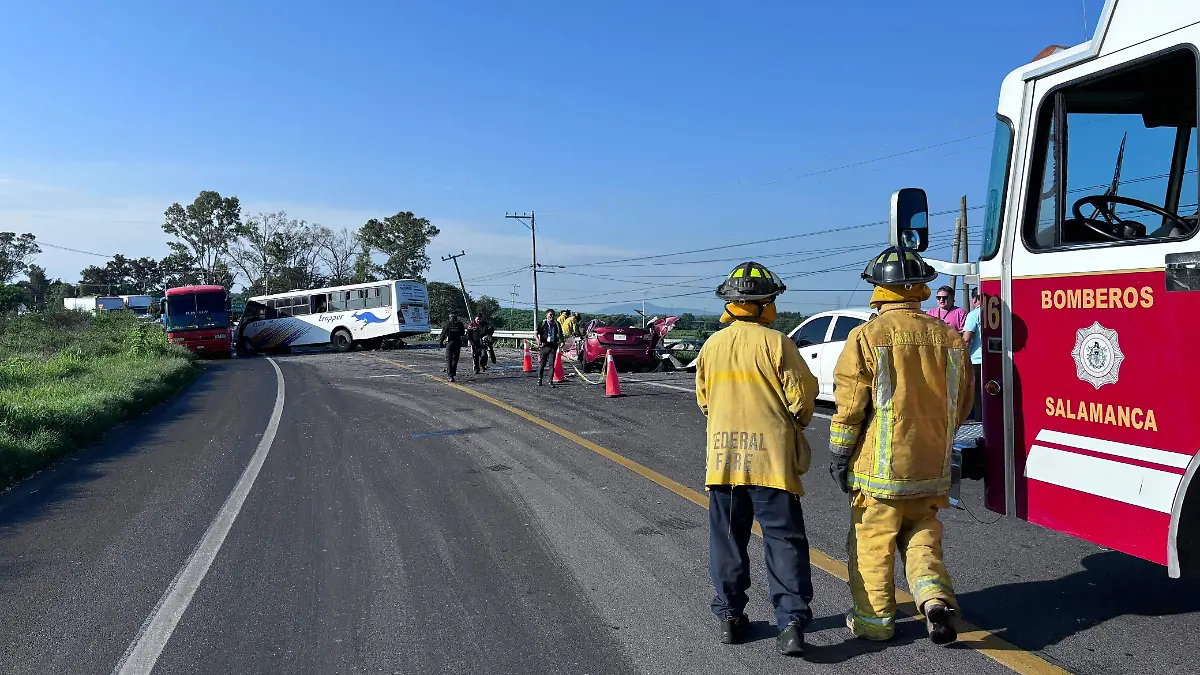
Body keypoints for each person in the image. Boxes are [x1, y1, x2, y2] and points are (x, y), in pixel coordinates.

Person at [828, 245, 974, 646]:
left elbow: (850, 406)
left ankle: (875, 624)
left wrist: (840, 456)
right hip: (931, 468)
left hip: (881, 472)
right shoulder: (950, 338)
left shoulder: (867, 336)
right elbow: (962, 405)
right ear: (923, 288)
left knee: (872, 544)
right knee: (922, 537)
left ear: (878, 287)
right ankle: (934, 599)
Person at [695, 261, 818, 658]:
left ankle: (730, 617)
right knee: (783, 541)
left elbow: (703, 401)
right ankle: (792, 624)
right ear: (764, 304)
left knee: (728, 541)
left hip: (724, 462)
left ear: (731, 303)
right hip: (771, 463)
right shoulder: (777, 343)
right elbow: (802, 400)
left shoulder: (711, 346)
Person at [961, 289, 983, 421]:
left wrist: (963, 357)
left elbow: (967, 339)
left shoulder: (973, 315)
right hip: (995, 359)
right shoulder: (997, 313)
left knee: (977, 395)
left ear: (974, 299)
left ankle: (980, 422)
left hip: (976, 360)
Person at [536, 308, 562, 387]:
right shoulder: (543, 323)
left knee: (551, 364)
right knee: (542, 364)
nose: (552, 316)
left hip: (553, 346)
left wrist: (562, 341)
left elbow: (560, 334)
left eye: (553, 315)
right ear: (547, 315)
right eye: (550, 315)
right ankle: (540, 379)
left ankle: (550, 381)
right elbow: (536, 333)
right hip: (544, 346)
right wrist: (538, 340)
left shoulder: (556, 324)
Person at [439, 313, 466, 382]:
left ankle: (450, 375)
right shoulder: (460, 324)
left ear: (450, 318)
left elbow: (443, 334)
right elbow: (463, 333)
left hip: (450, 343)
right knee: (455, 359)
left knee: (449, 359)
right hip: (458, 343)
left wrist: (441, 343)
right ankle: (453, 374)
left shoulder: (447, 324)